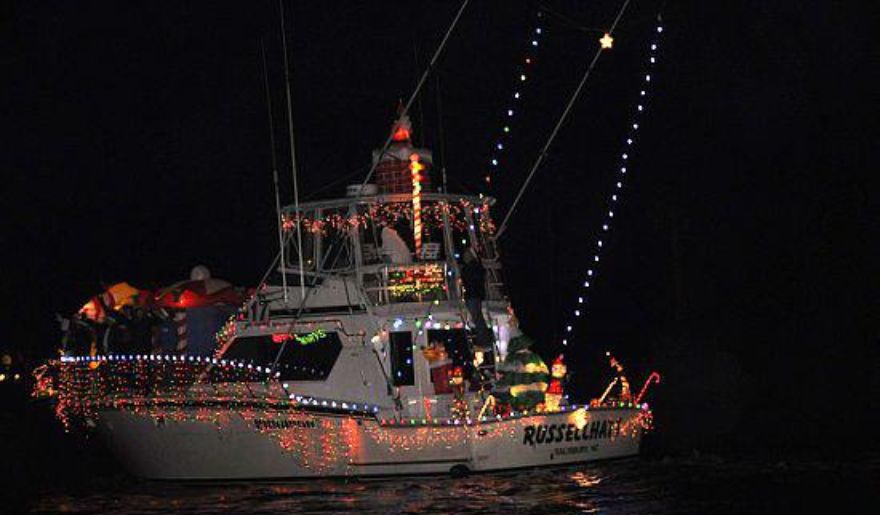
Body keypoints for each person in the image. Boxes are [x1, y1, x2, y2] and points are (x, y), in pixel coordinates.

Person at [460, 247, 492, 350]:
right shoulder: (477, 267)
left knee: (477, 319)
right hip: (476, 295)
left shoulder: (469, 268)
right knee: (478, 318)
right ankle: (484, 340)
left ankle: (484, 341)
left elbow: (467, 279)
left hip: (472, 295)